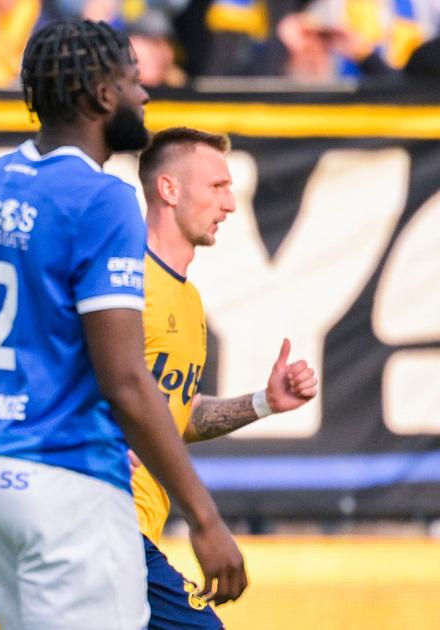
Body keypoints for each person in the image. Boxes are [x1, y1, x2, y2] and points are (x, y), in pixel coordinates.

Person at [0, 18, 247, 630]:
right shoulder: (102, 197)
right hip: (66, 485)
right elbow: (125, 381)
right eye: (134, 81)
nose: (144, 95)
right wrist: (205, 517)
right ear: (102, 94)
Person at [133, 127, 318, 629]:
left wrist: (263, 402)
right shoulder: (123, 280)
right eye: (217, 187)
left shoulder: (187, 299)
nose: (231, 204)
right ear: (169, 189)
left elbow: (176, 413)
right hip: (103, 518)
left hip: (136, 530)